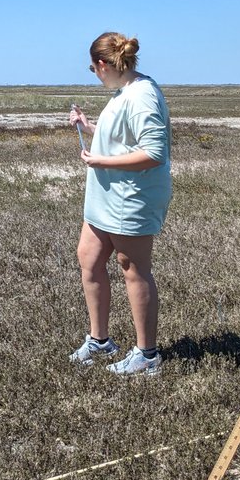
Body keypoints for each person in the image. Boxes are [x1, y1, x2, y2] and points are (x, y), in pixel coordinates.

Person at [67, 32, 173, 375]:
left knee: (134, 269)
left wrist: (100, 162)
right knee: (89, 259)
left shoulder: (143, 95)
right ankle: (100, 341)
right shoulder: (125, 92)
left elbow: (154, 153)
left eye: (93, 69)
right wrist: (88, 125)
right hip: (105, 198)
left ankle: (147, 354)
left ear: (102, 65)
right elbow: (120, 137)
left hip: (131, 199)